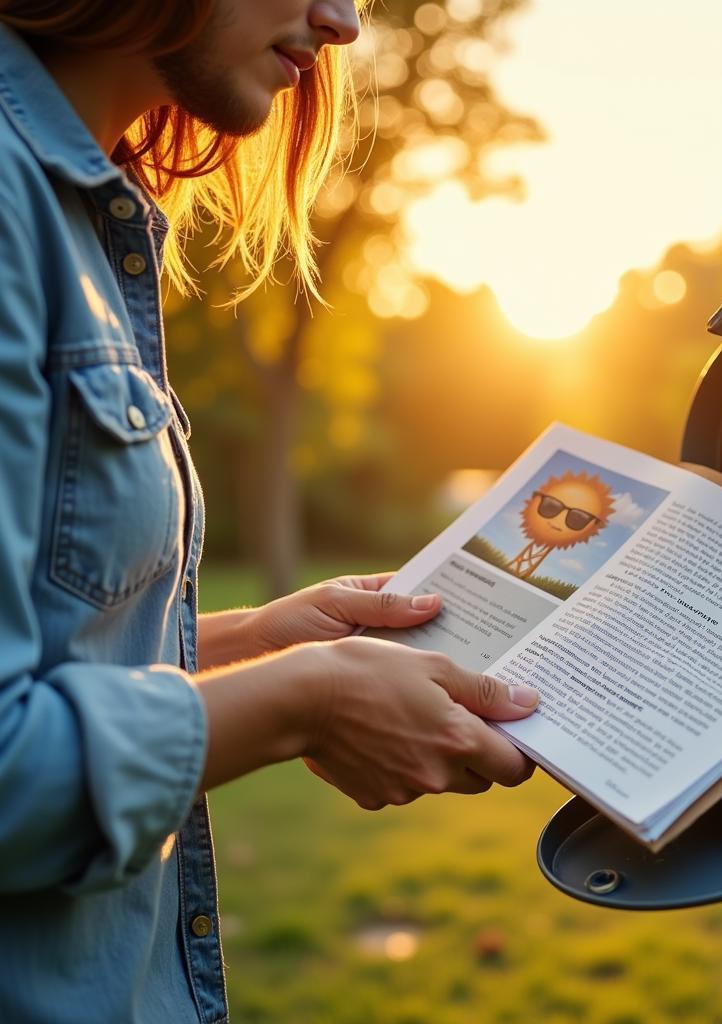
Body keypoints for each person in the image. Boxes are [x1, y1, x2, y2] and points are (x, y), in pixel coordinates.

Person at [0, 3, 540, 1021]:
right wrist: (307, 699)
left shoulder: (75, 205)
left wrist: (262, 639)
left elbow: (46, 661)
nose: (340, 22)